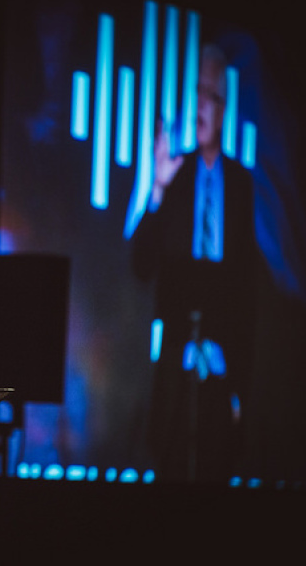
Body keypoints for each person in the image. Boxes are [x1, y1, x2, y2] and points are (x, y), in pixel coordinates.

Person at [131, 45, 258, 483]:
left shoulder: (241, 184)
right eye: (198, 93)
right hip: (176, 366)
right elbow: (141, 264)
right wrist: (157, 190)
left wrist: (237, 374)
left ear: (224, 109)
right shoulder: (176, 171)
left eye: (213, 96)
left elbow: (247, 286)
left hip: (221, 367)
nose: (204, 105)